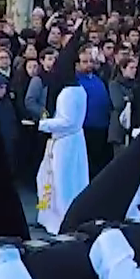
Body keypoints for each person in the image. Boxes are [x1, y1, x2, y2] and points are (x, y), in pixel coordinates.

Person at [35, 35, 89, 234]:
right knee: (67, 179)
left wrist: (42, 124)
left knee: (62, 181)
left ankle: (62, 218)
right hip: (74, 140)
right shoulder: (79, 89)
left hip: (65, 142)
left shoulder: (67, 93)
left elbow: (67, 122)